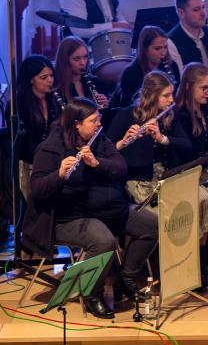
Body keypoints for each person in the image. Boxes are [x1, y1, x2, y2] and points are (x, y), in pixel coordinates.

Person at [24, 97, 158, 319]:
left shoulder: (99, 141)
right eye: (93, 120)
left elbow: (120, 167)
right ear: (77, 124)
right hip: (66, 218)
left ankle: (126, 277)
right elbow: (37, 189)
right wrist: (58, 174)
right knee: (103, 241)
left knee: (151, 225)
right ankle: (92, 294)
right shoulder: (50, 149)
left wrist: (97, 163)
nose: (98, 124)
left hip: (105, 211)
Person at [175, 63, 208, 289]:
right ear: (188, 87)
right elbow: (185, 154)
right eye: (204, 88)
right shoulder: (180, 115)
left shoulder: (207, 110)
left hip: (206, 169)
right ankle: (197, 268)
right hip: (189, 172)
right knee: (205, 201)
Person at [107, 71, 193, 212]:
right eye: (166, 95)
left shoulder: (169, 116)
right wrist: (122, 142)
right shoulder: (126, 114)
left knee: (188, 208)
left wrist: (162, 139)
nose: (171, 100)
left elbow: (187, 145)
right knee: (165, 213)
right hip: (139, 182)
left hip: (167, 177)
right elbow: (106, 149)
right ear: (152, 96)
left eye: (171, 94)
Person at [16, 55, 63, 200]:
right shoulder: (19, 104)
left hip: (52, 163)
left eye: (51, 75)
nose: (50, 80)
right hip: (29, 164)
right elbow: (22, 140)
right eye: (44, 77)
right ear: (31, 79)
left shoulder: (54, 100)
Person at [113, 25, 181, 108]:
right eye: (157, 48)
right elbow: (127, 106)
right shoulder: (131, 73)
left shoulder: (172, 65)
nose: (163, 53)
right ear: (144, 49)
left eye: (165, 47)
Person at [54, 36, 109, 108]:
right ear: (65, 60)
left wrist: (105, 103)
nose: (82, 63)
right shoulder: (56, 87)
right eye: (76, 59)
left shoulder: (94, 81)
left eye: (85, 57)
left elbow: (105, 112)